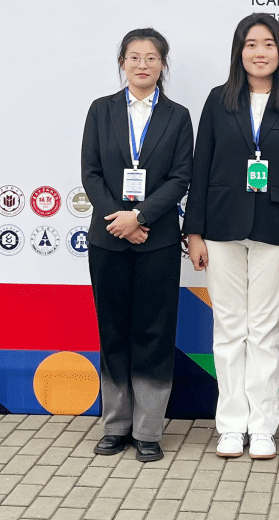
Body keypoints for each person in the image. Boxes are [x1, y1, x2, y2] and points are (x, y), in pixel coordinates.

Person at [183, 14, 279, 460]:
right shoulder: (218, 100)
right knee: (228, 329)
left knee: (264, 331)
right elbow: (201, 165)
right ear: (239, 52)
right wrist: (194, 231)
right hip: (221, 227)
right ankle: (230, 425)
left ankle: (261, 427)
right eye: (251, 44)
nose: (260, 52)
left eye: (268, 44)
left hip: (276, 231)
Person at [81, 27, 194, 463]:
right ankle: (115, 426)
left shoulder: (178, 116)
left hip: (157, 240)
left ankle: (148, 431)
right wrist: (120, 221)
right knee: (113, 332)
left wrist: (141, 217)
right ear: (122, 63)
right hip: (108, 239)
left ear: (163, 64)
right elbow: (91, 172)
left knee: (154, 333)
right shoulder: (101, 110)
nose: (142, 64)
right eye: (134, 57)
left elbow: (181, 177)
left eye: (151, 57)